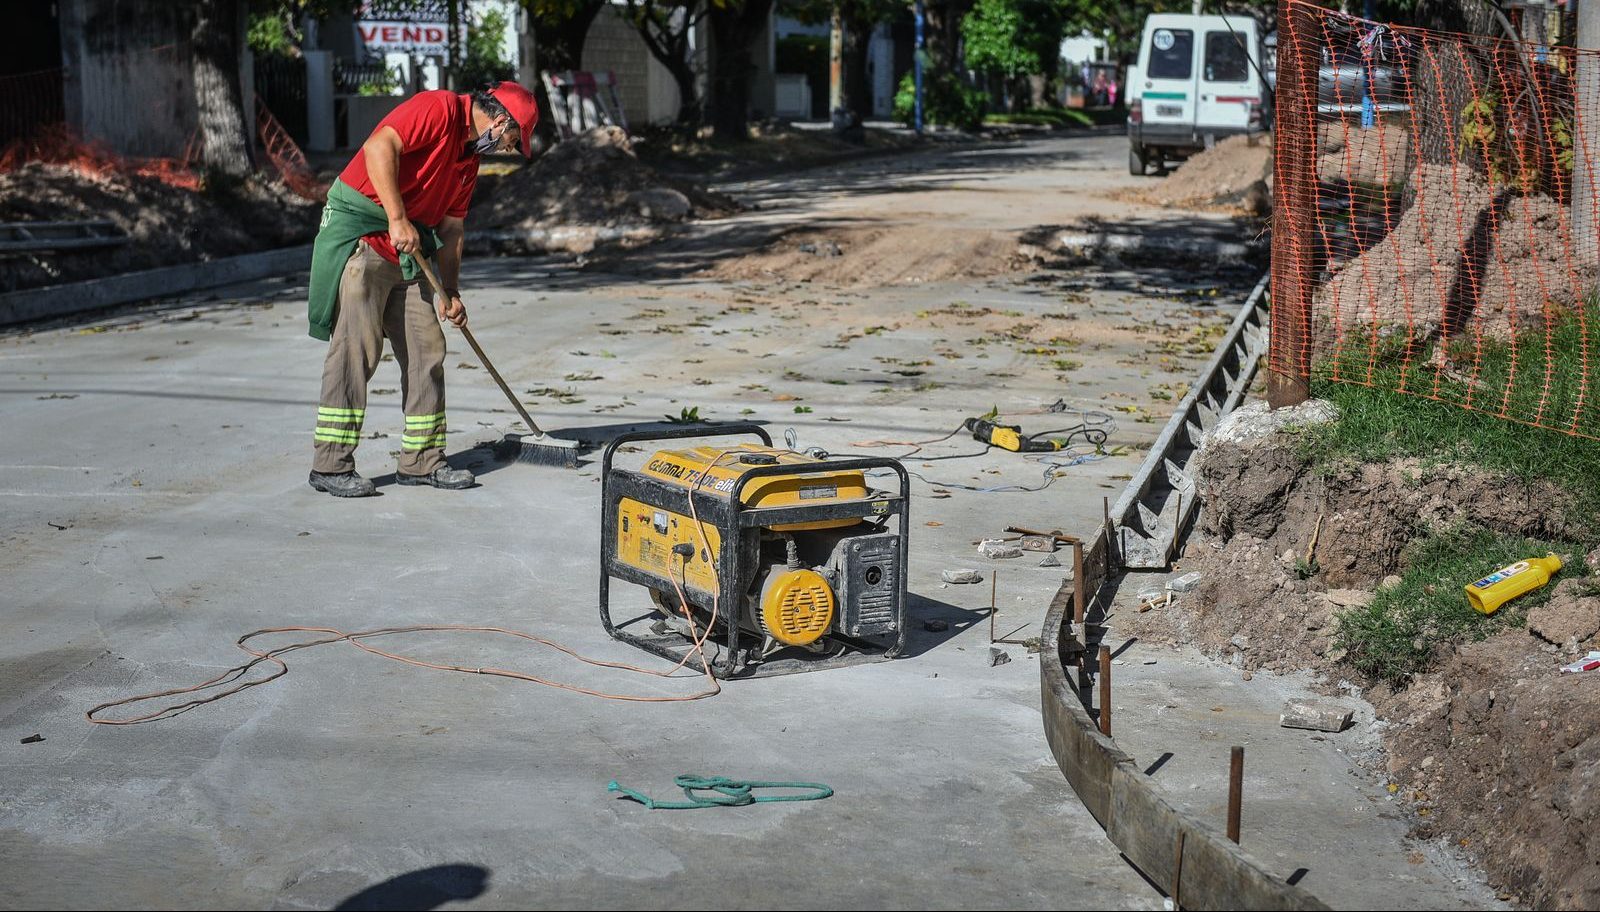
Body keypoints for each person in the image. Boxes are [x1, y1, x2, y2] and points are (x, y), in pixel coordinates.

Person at [303, 81, 538, 498]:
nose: (507, 150)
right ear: (500, 121)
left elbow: (451, 228)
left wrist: (451, 291)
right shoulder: (439, 108)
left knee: (427, 347)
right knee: (357, 349)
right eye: (512, 141)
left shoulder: (467, 162)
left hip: (409, 255)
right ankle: (331, 464)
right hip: (368, 242)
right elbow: (379, 148)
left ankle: (422, 460)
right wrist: (397, 218)